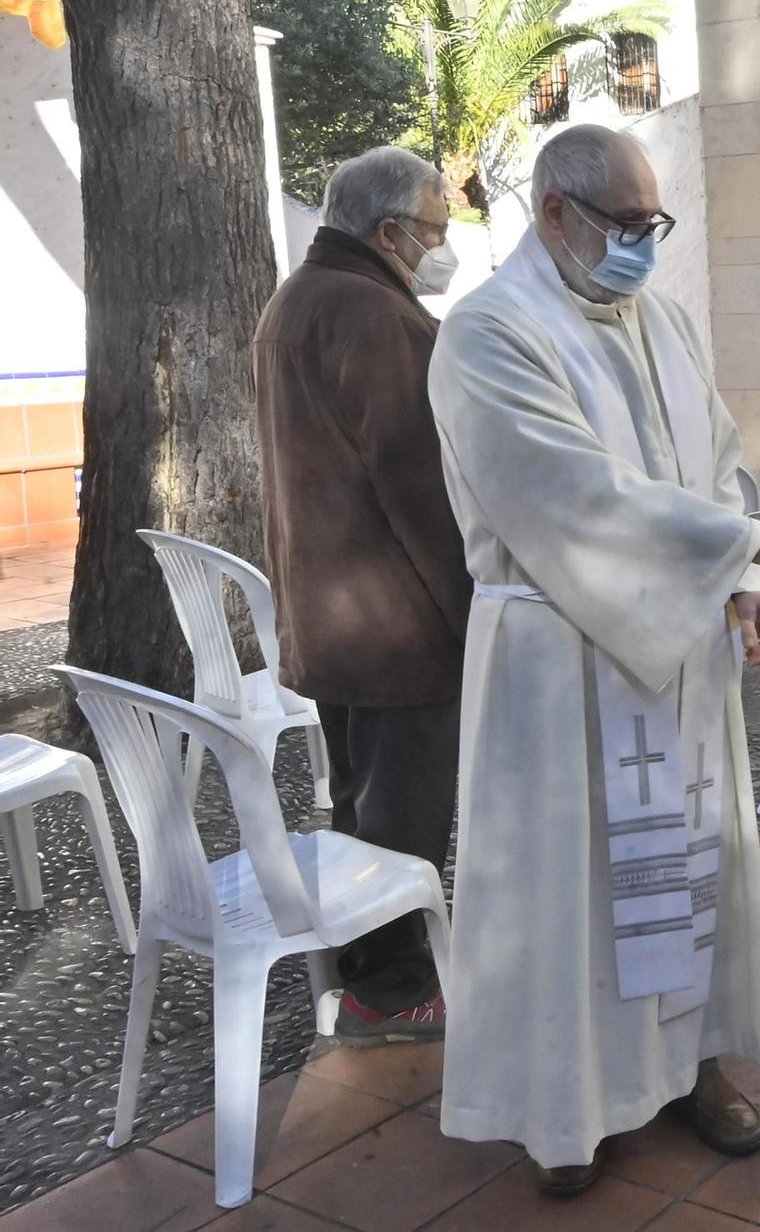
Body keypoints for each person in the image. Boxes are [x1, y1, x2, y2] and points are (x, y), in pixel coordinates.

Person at [428, 125, 760, 1193]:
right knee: (571, 892)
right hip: (554, 662)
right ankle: (566, 1111)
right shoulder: (488, 334)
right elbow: (575, 497)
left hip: (674, 654)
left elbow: (712, 466)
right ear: (552, 216)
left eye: (652, 224)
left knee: (686, 872)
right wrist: (757, 545)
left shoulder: (662, 321)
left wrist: (743, 584)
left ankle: (689, 1068)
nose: (644, 246)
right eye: (626, 226)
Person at [251, 146, 471, 1044]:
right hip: (394, 622)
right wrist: (475, 612)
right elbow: (425, 494)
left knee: (359, 804)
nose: (439, 249)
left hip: (328, 612)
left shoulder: (292, 302)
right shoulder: (380, 319)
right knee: (403, 815)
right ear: (387, 233)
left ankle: (366, 962)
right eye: (433, 232)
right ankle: (396, 986)